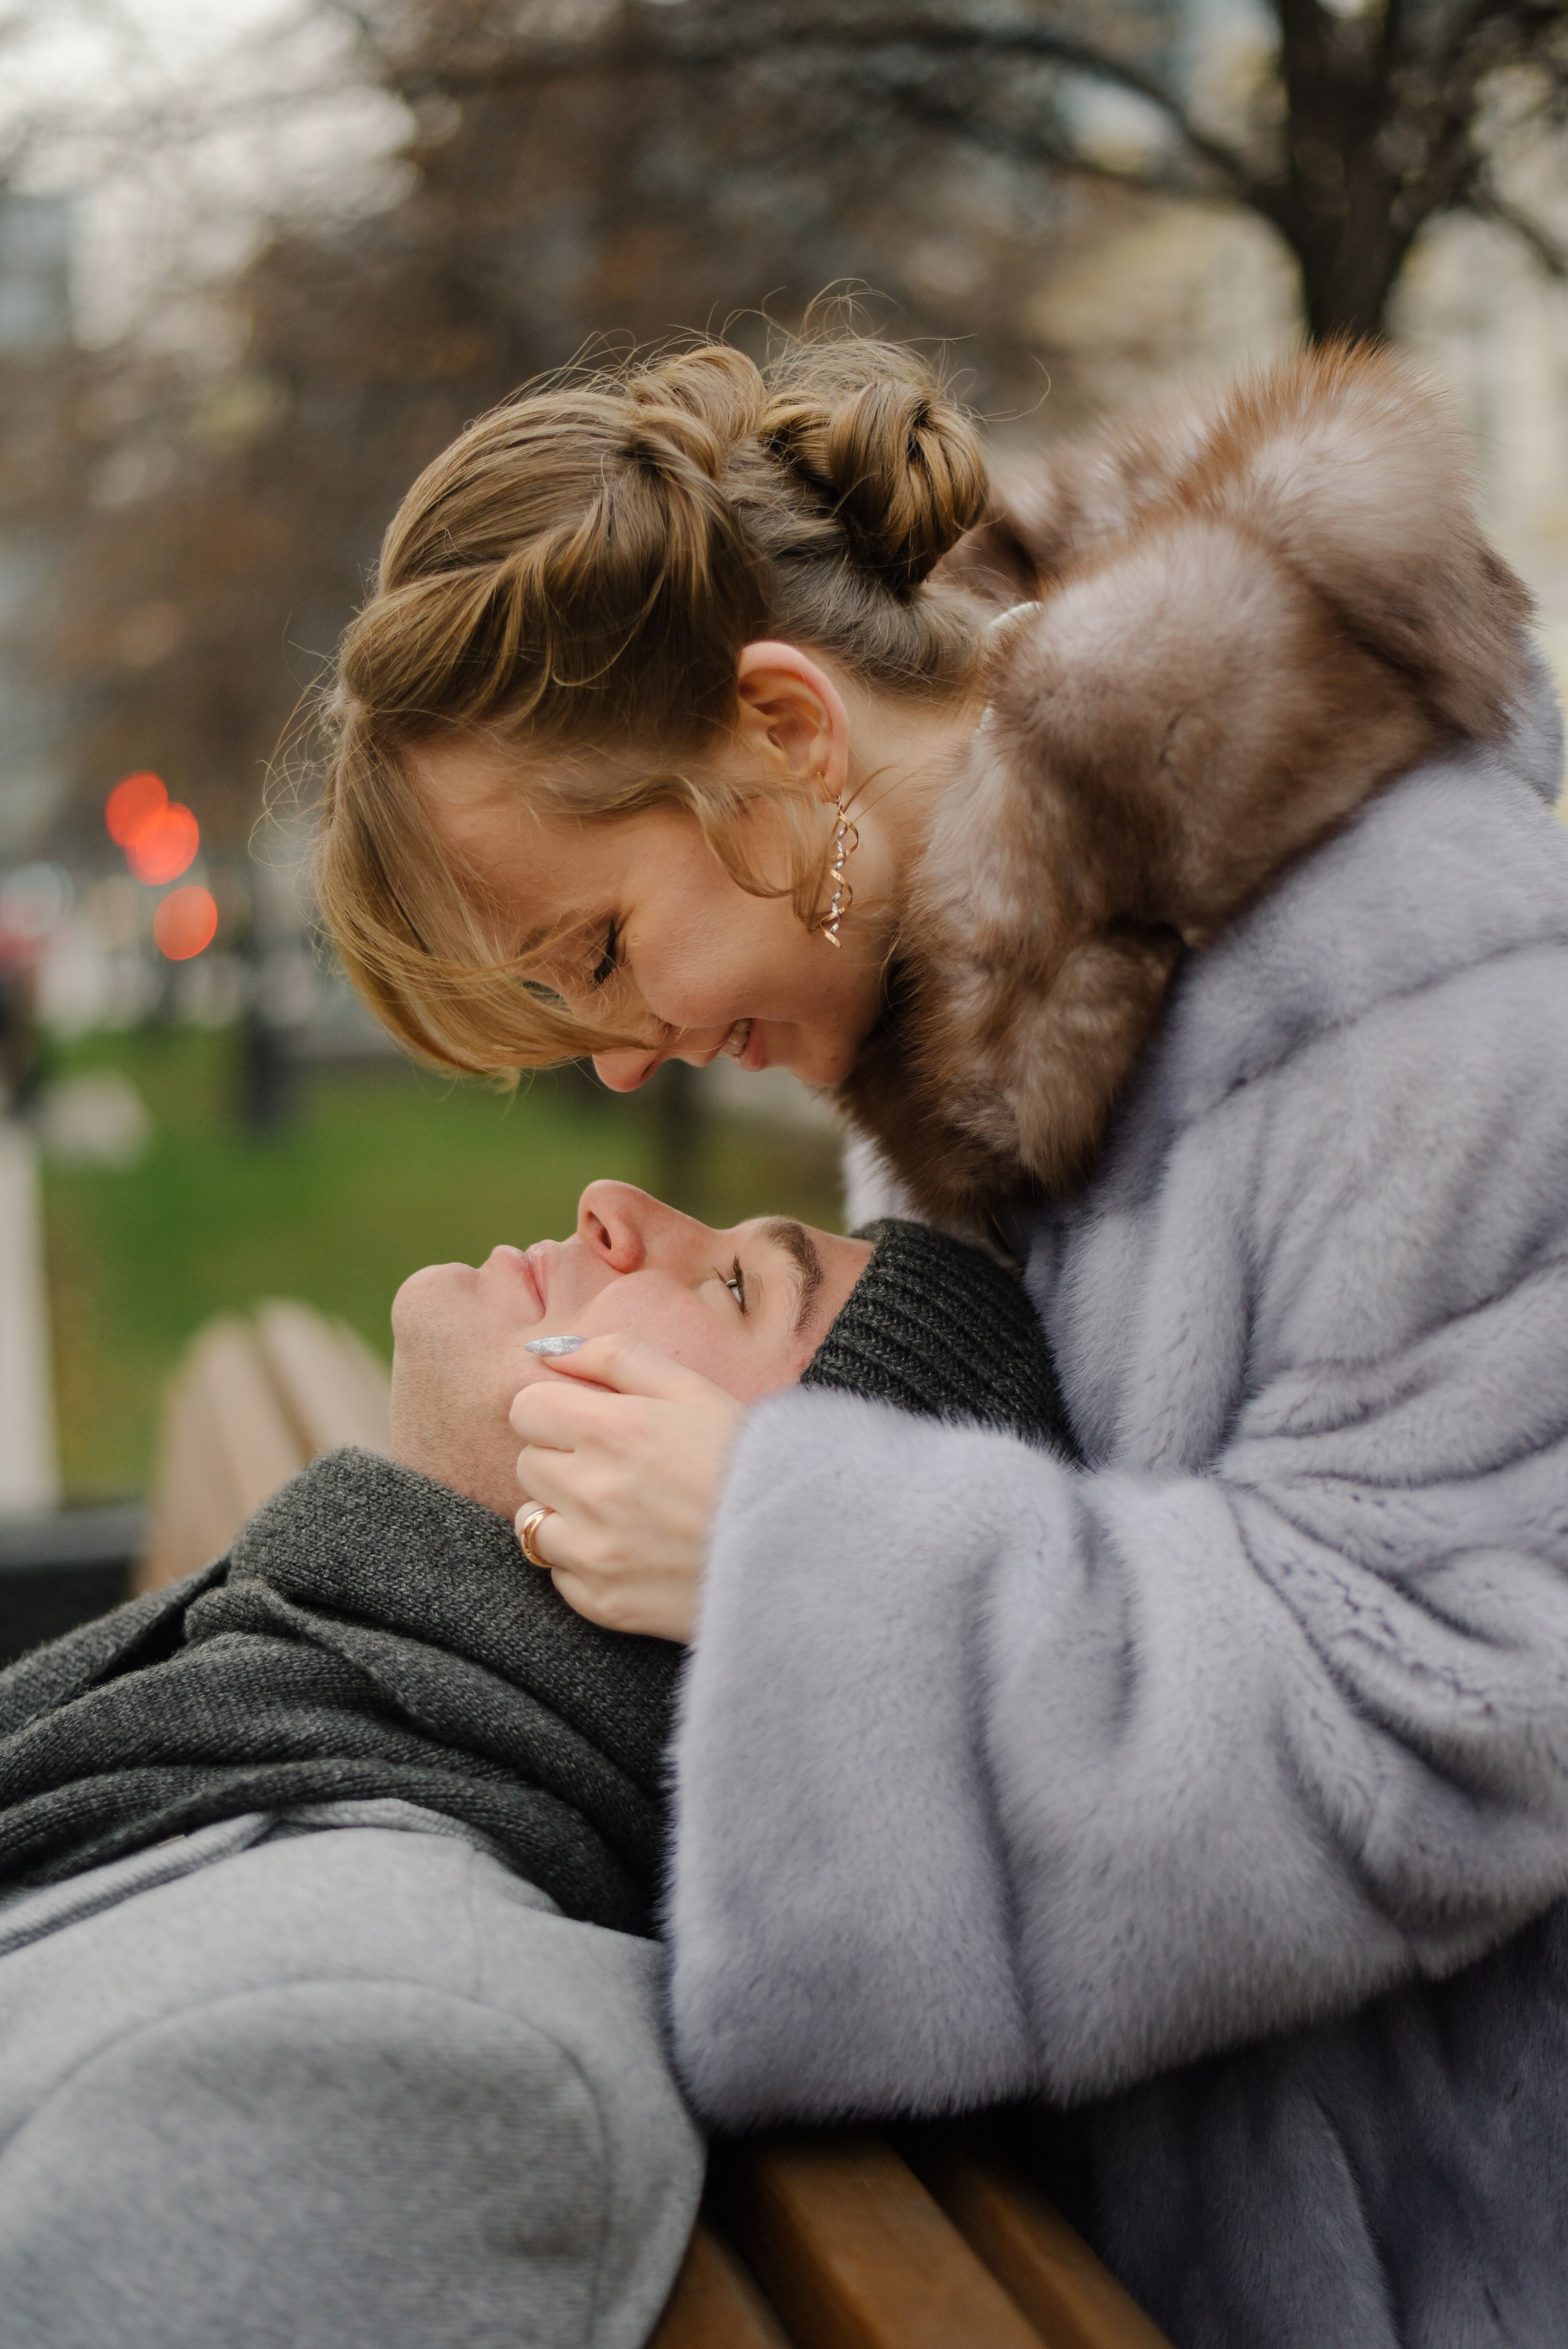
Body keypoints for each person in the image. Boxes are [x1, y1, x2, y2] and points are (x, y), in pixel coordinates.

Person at [317, 328, 1568, 2348]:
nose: (622, 1051)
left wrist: (779, 1550)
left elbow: (1468, 1708)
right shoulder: (979, 1025)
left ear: (787, 728)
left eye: (602, 947)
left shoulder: (1399, 967)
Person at [0, 1185, 1072, 2349]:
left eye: (737, 1288)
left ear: (751, 1559)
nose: (615, 1204)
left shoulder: (416, 2057)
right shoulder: (300, 1713)